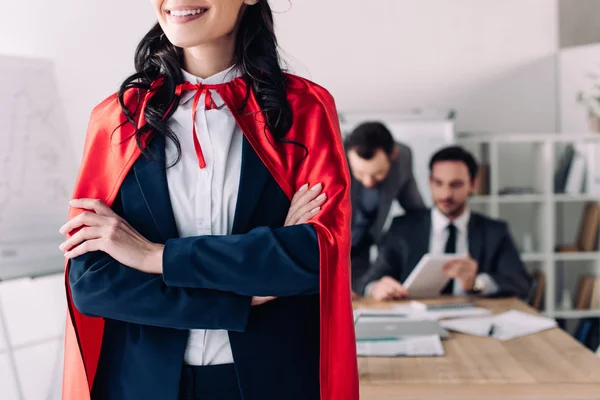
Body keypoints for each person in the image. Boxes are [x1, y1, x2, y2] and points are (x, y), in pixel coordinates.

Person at [58, 1, 358, 399]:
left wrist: (153, 257)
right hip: (141, 385)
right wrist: (245, 292)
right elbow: (92, 284)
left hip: (274, 381)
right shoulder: (117, 118)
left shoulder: (304, 109)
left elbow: (313, 258)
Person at [359, 146, 532, 301]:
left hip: (474, 321)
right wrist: (375, 288)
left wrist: (477, 283)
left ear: (472, 184)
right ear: (430, 182)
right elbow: (368, 281)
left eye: (455, 185)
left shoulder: (494, 232)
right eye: (438, 183)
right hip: (416, 319)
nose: (446, 194)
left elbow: (522, 283)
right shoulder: (402, 228)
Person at [345, 122, 426, 292]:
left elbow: (415, 210)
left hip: (363, 245)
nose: (368, 181)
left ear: (393, 155)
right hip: (323, 247)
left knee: (359, 296)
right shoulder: (330, 154)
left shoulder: (403, 157)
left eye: (377, 174)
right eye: (359, 173)